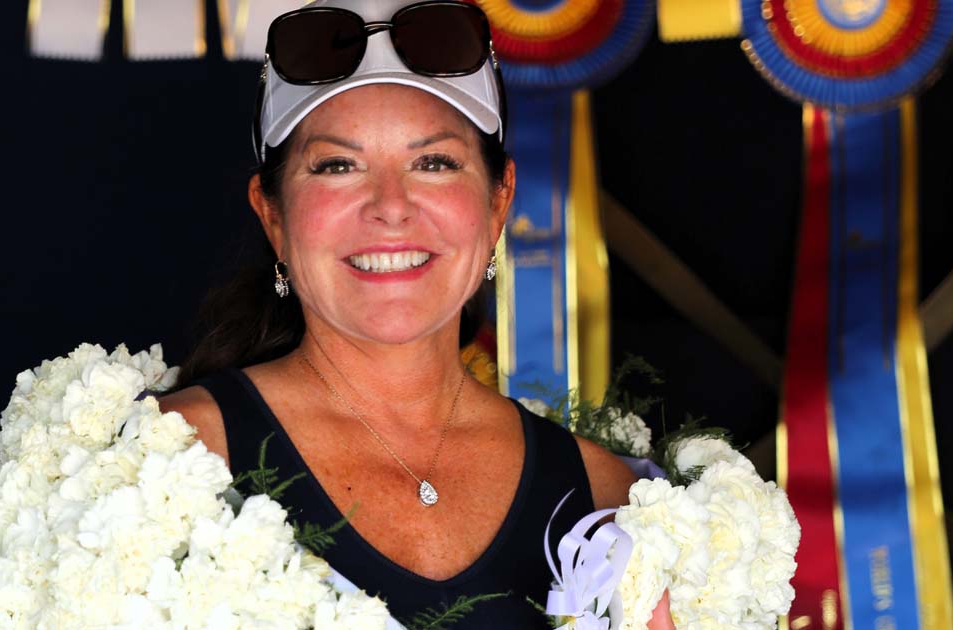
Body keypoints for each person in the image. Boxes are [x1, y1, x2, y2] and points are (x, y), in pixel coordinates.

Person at [159, 0, 674, 626]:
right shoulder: (163, 465)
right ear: (273, 215)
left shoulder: (610, 500)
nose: (391, 206)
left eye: (433, 163)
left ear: (497, 203)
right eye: (337, 166)